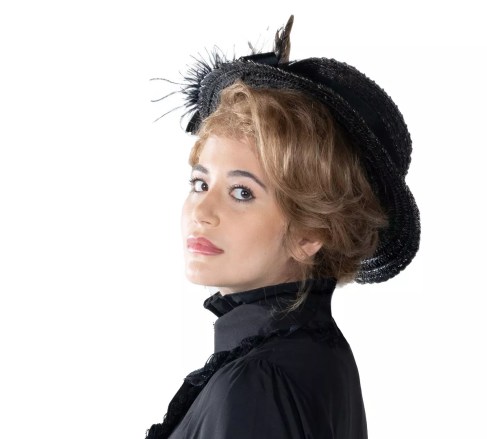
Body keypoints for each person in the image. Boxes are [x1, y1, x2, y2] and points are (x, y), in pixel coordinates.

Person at [145, 15, 420, 439]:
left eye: (242, 192)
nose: (202, 211)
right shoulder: (316, 352)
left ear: (311, 232)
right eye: (200, 183)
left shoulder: (257, 382)